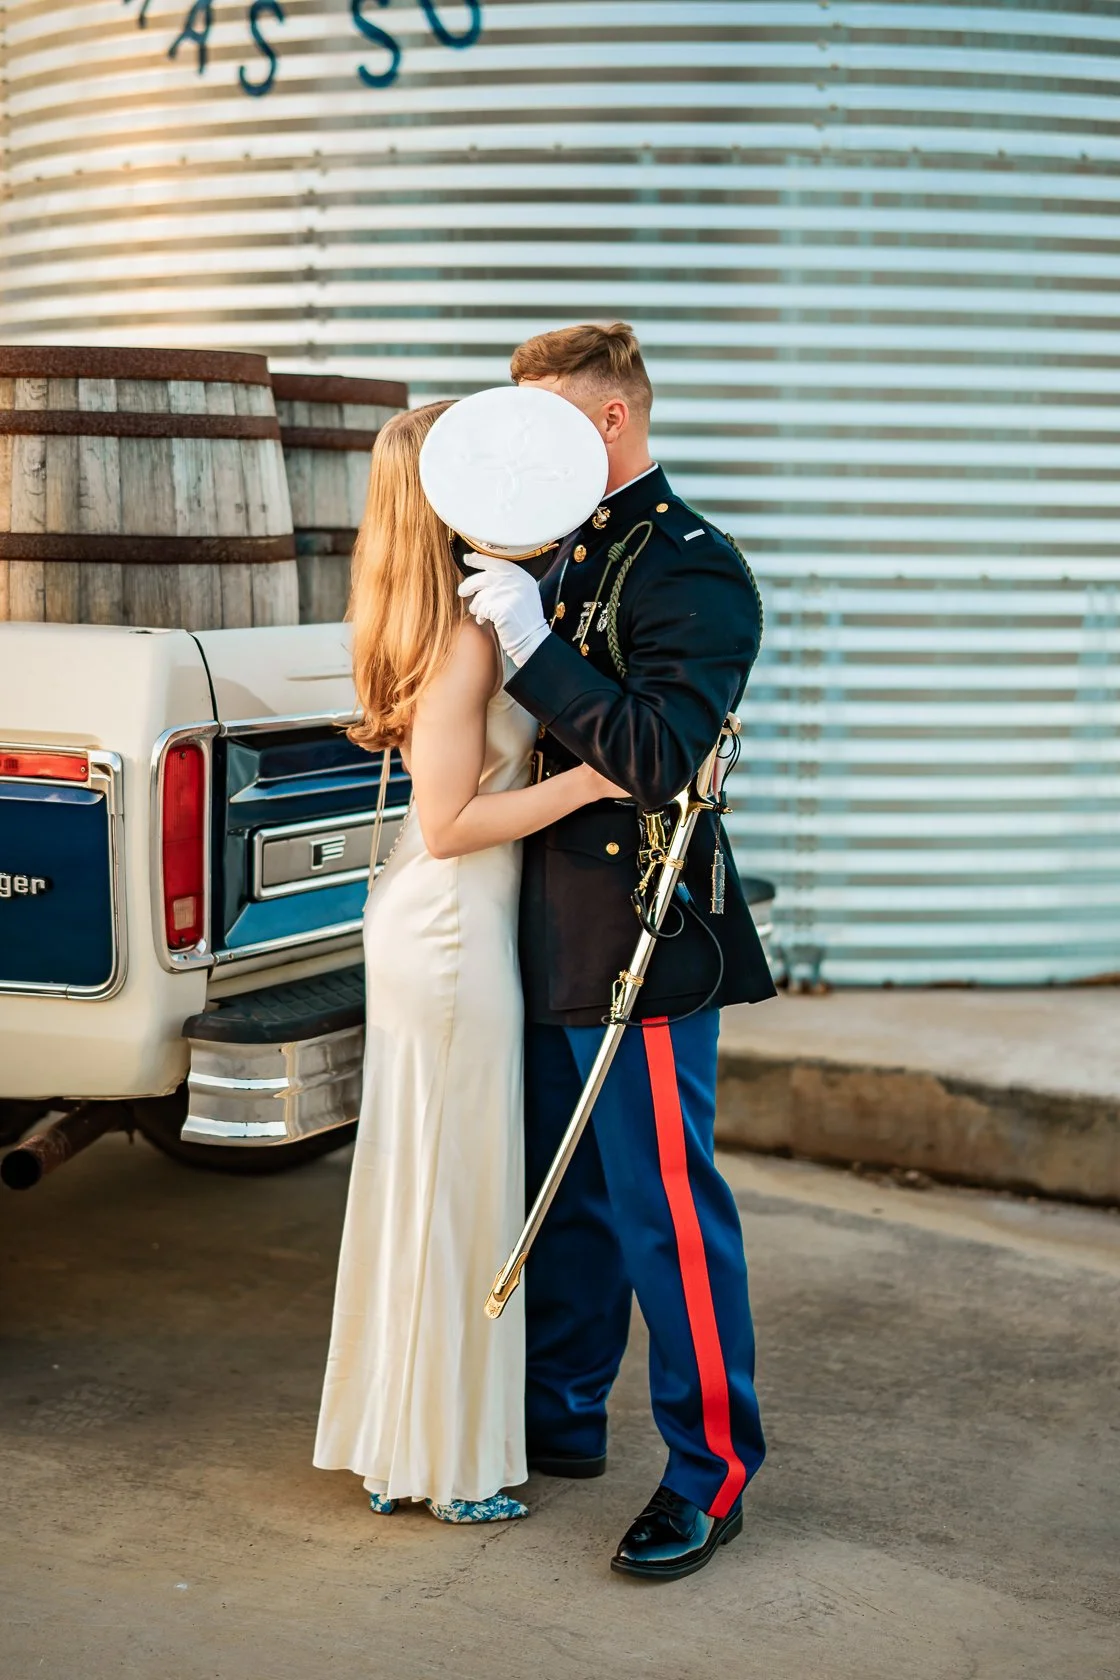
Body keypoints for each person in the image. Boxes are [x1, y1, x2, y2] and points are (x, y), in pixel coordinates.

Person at [458, 322, 776, 1580]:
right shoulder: (553, 546)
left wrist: (533, 649)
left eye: (545, 422)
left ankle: (711, 1472)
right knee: (565, 1191)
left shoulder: (694, 567)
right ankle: (564, 1412)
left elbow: (652, 757)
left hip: (640, 929)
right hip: (534, 919)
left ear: (608, 419)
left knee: (664, 1214)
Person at [313, 402, 621, 1523]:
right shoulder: (465, 635)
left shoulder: (441, 614)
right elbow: (448, 824)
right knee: (453, 1192)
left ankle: (401, 1443)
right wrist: (594, 780)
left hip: (443, 922)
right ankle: (441, 1467)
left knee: (429, 1186)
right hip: (448, 930)